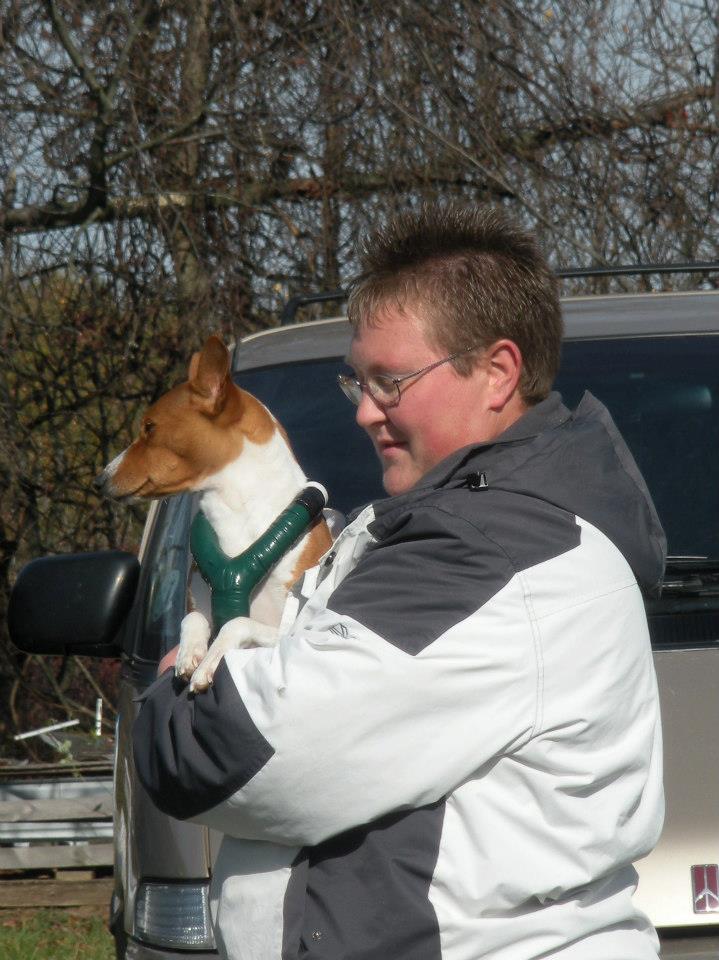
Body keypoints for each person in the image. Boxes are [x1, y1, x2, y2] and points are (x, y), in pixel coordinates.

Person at [134, 203, 665, 960]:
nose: (363, 413)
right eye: (359, 381)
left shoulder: (486, 555)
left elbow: (241, 755)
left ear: (497, 371)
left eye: (391, 382)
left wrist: (166, 702)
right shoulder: (421, 530)